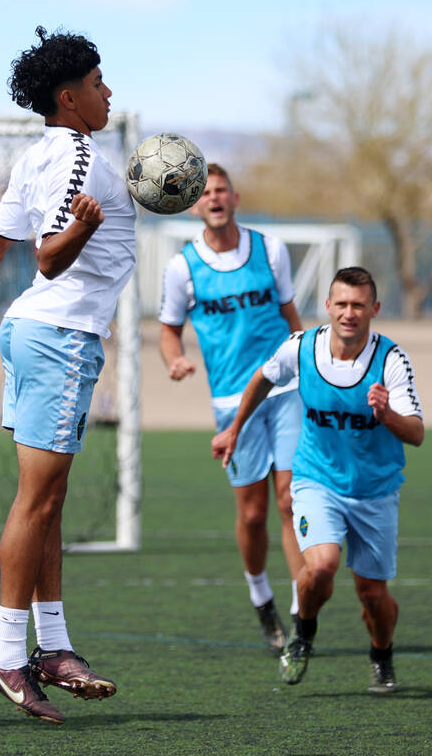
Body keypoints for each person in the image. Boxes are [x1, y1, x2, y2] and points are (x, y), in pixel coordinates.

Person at [0, 26, 134, 725]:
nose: (108, 92)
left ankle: (51, 647)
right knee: (34, 503)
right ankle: (10, 657)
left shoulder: (40, 156)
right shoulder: (79, 158)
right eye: (98, 82)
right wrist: (83, 227)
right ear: (69, 96)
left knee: (47, 501)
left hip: (34, 333)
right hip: (60, 337)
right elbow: (49, 258)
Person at [212, 267, 423, 692]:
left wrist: (387, 415)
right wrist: (234, 429)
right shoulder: (301, 347)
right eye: (341, 304)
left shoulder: (392, 360)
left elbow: (416, 433)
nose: (349, 313)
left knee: (373, 597)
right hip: (316, 480)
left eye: (359, 305)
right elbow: (262, 378)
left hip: (375, 491)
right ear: (327, 306)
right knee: (321, 566)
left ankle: (381, 654)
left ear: (374, 309)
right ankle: (303, 631)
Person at [158, 163, 304, 654]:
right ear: (195, 204)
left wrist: (311, 366)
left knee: (289, 499)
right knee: (253, 513)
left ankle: (303, 611)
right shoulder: (183, 267)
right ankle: (261, 597)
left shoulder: (271, 250)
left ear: (235, 197)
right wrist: (174, 359)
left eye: (221, 190)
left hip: (285, 392)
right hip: (231, 404)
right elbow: (168, 329)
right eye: (206, 193)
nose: (214, 198)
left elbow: (291, 317)